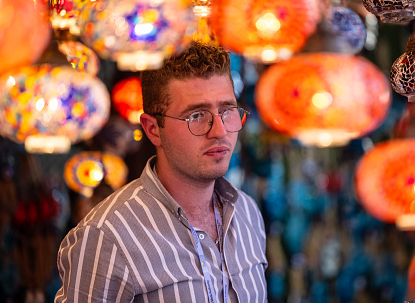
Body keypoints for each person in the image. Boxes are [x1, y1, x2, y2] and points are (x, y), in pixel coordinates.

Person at [55, 41, 268, 302]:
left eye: (227, 111)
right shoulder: (106, 236)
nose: (220, 131)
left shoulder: (247, 214)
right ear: (153, 128)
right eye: (197, 116)